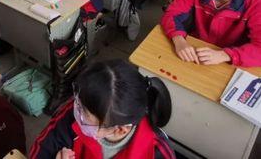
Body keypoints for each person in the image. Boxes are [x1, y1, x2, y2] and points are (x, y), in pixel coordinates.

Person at [30, 59, 174, 159]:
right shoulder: (76, 111)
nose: (75, 110)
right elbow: (41, 149)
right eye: (78, 100)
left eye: (85, 116)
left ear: (120, 130)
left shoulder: (156, 152)